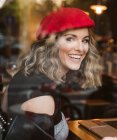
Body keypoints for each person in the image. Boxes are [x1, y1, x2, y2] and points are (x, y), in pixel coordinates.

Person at [2, 7, 102, 140]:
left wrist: (54, 124)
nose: (80, 48)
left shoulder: (28, 75)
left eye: (85, 40)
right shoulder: (41, 99)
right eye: (70, 39)